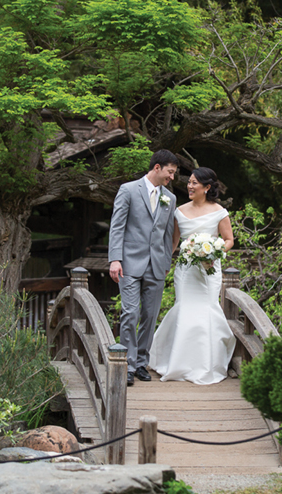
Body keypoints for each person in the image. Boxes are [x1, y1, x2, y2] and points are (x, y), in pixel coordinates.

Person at [149, 167, 237, 385]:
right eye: (189, 182)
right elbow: (174, 243)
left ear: (207, 187)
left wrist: (215, 252)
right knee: (185, 310)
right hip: (186, 271)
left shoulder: (220, 212)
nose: (189, 186)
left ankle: (207, 364)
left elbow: (229, 240)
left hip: (209, 271)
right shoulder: (179, 211)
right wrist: (160, 263)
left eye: (194, 183)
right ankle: (178, 363)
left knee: (206, 311)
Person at [108, 149, 179, 386]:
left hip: (157, 265)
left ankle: (141, 363)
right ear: (157, 167)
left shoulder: (170, 197)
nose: (172, 177)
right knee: (130, 312)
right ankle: (126, 364)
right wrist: (115, 259)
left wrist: (166, 262)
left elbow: (169, 232)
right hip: (129, 262)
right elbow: (117, 226)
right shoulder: (128, 190)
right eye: (170, 172)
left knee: (150, 315)